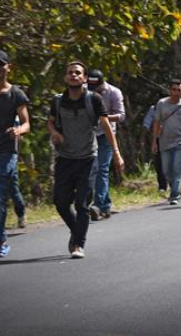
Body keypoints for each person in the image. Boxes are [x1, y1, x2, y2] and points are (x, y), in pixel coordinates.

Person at [48, 61, 124, 259]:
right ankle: (77, 230)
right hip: (65, 158)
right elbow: (50, 122)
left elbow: (106, 126)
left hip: (88, 159)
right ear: (65, 78)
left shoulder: (94, 100)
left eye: (78, 73)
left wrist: (116, 152)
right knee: (60, 202)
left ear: (84, 78)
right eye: (70, 73)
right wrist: (55, 133)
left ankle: (78, 244)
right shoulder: (57, 101)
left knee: (82, 204)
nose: (73, 75)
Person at [0, 50, 31, 264]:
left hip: (6, 151)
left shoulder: (16, 94)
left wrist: (19, 131)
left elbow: (26, 122)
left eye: (1, 64)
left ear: (9, 67)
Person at [86, 70, 126, 221]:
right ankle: (106, 205)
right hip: (89, 135)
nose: (93, 90)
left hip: (106, 135)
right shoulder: (84, 91)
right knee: (92, 170)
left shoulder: (114, 93)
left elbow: (121, 116)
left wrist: (103, 117)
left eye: (96, 87)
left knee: (102, 169)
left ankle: (97, 205)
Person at [151, 79, 181, 205]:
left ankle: (174, 194)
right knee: (165, 170)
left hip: (180, 142)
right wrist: (154, 142)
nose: (176, 93)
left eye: (179, 90)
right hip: (164, 142)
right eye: (174, 90)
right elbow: (157, 122)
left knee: (177, 167)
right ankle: (173, 187)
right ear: (170, 90)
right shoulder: (161, 104)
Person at [143, 105, 168, 192]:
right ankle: (162, 186)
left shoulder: (177, 106)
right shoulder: (154, 109)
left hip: (173, 138)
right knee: (159, 163)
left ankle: (174, 183)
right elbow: (147, 123)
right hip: (158, 138)